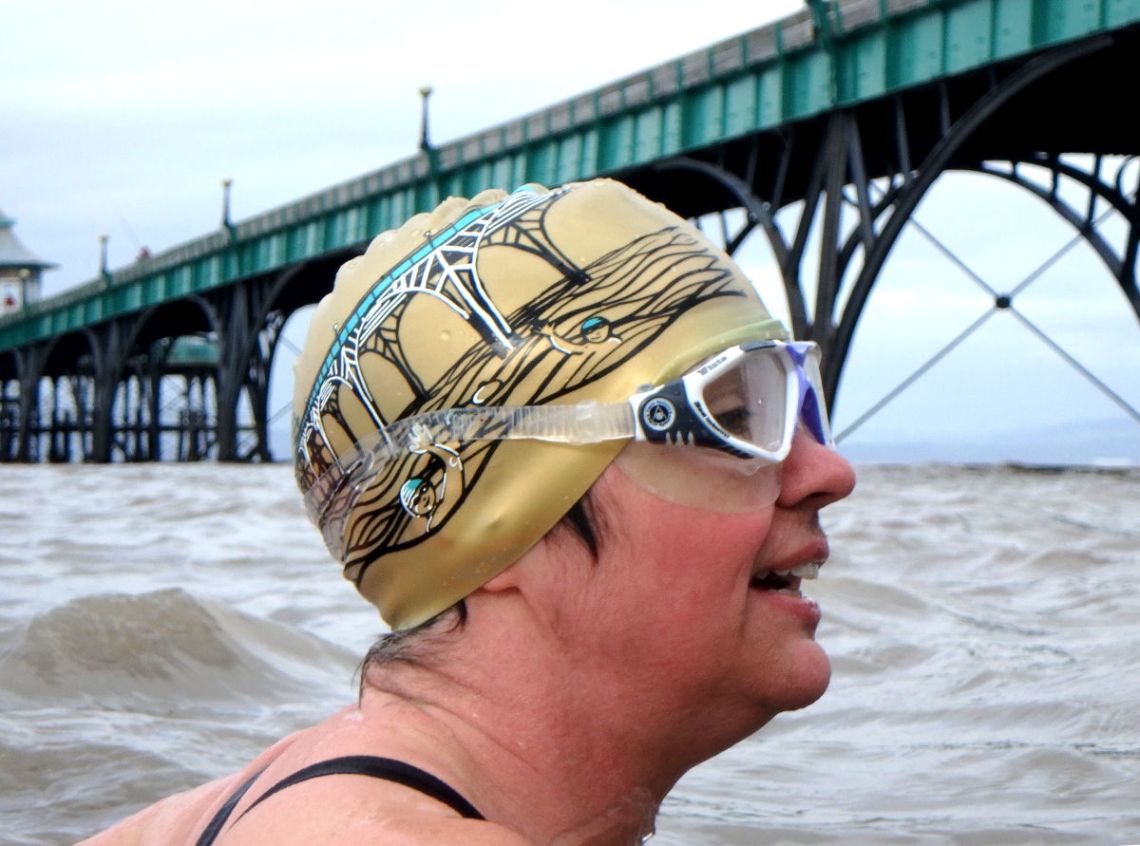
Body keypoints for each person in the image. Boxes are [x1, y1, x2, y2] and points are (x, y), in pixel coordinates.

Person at [81, 179, 855, 846]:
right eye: (732, 417)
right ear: (492, 528)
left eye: (795, 404)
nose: (829, 471)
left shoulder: (231, 810)